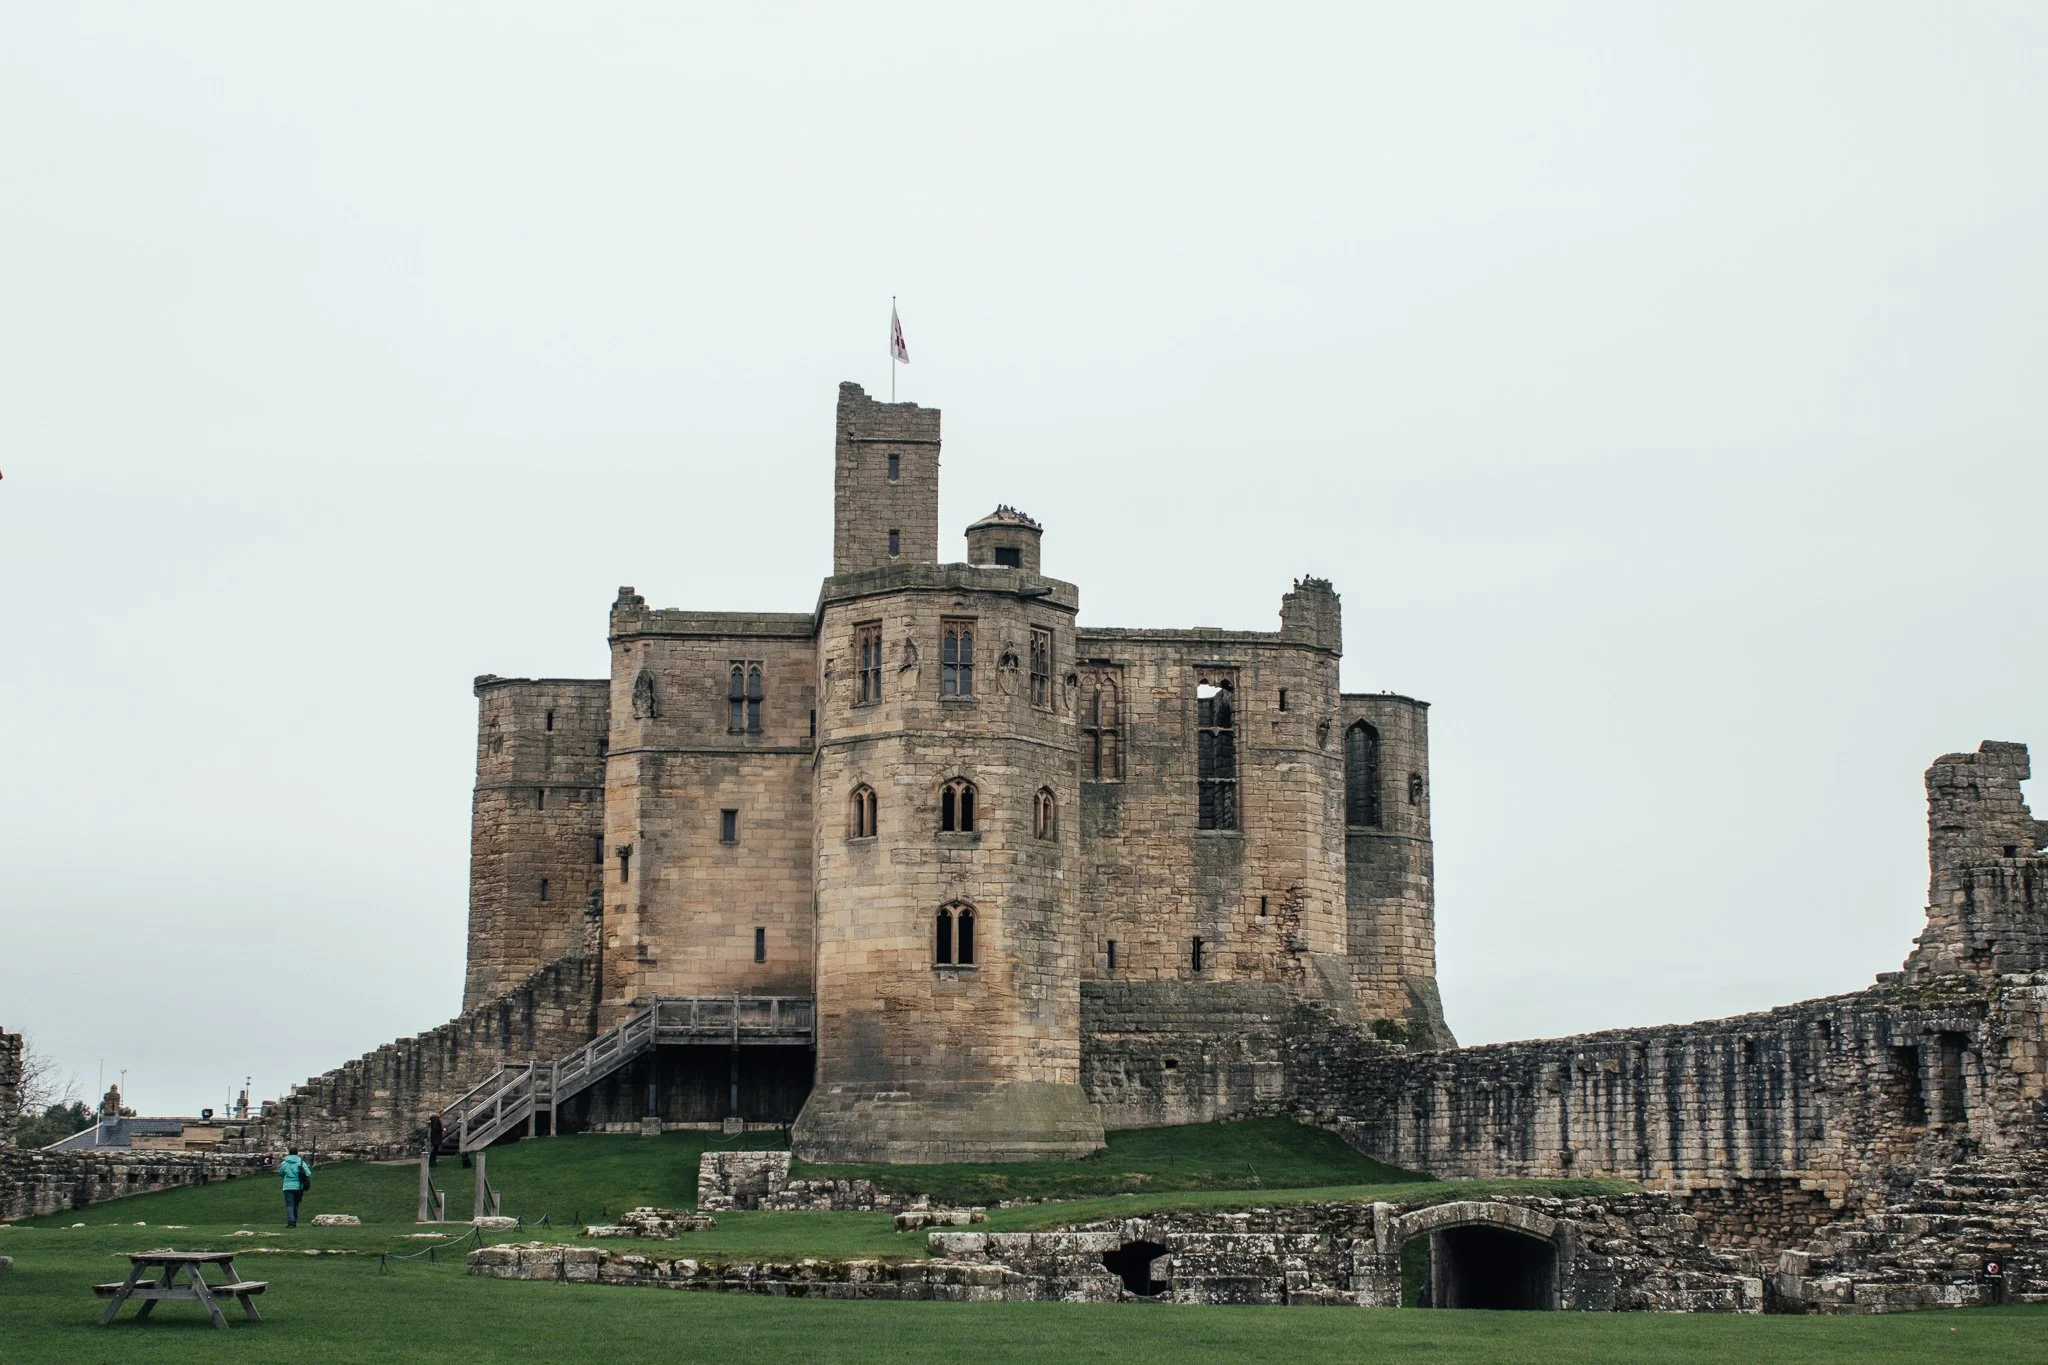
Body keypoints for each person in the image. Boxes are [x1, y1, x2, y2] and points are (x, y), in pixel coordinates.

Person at [278, 1146, 313, 1228]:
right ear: (297, 1153)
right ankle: (294, 1220)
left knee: (289, 1204)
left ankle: (291, 1222)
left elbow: (280, 1173)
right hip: (298, 1186)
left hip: (287, 1186)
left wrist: (285, 1178)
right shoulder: (301, 1162)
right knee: (296, 1204)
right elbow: (308, 1173)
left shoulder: (285, 1163)